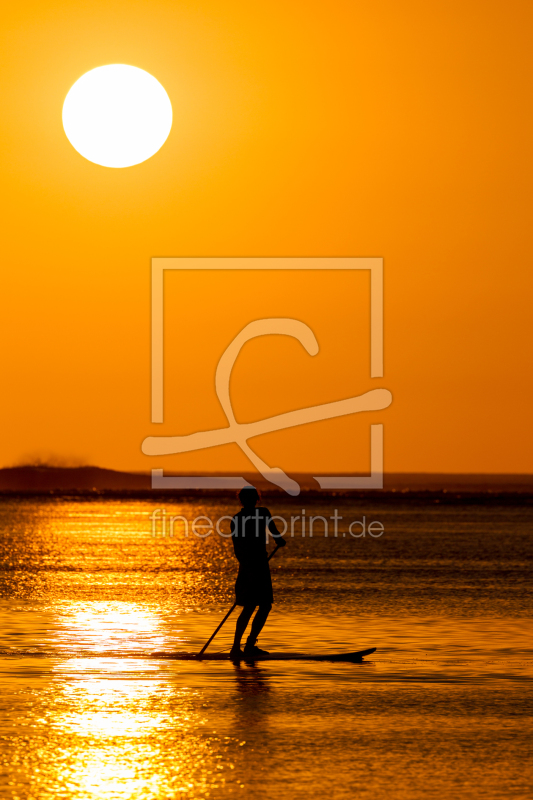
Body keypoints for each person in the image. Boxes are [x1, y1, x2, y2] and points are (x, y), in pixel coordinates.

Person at [229, 486, 286, 661]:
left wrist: (279, 540)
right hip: (249, 567)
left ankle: (250, 645)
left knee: (265, 605)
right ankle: (236, 647)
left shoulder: (263, 513)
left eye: (254, 498)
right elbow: (238, 548)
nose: (251, 501)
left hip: (260, 565)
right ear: (242, 500)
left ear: (257, 499)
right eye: (248, 498)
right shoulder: (237, 519)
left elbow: (276, 534)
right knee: (250, 606)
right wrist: (248, 569)